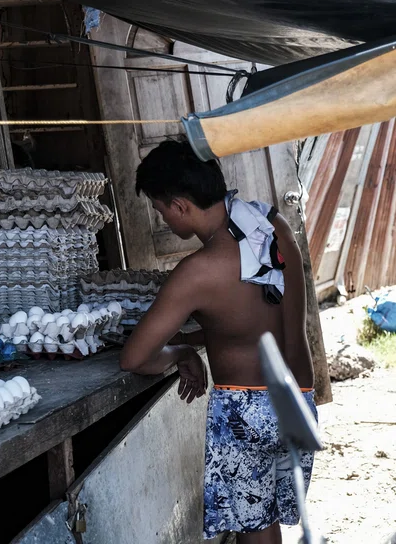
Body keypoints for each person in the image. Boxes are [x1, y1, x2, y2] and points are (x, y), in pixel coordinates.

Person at [120, 139, 317, 544]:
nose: (163, 218)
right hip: (299, 394)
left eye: (159, 209)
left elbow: (134, 357)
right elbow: (247, 321)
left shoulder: (198, 272)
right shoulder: (270, 224)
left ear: (179, 206)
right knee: (268, 523)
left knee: (255, 532)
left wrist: (180, 351)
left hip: (249, 408)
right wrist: (195, 337)